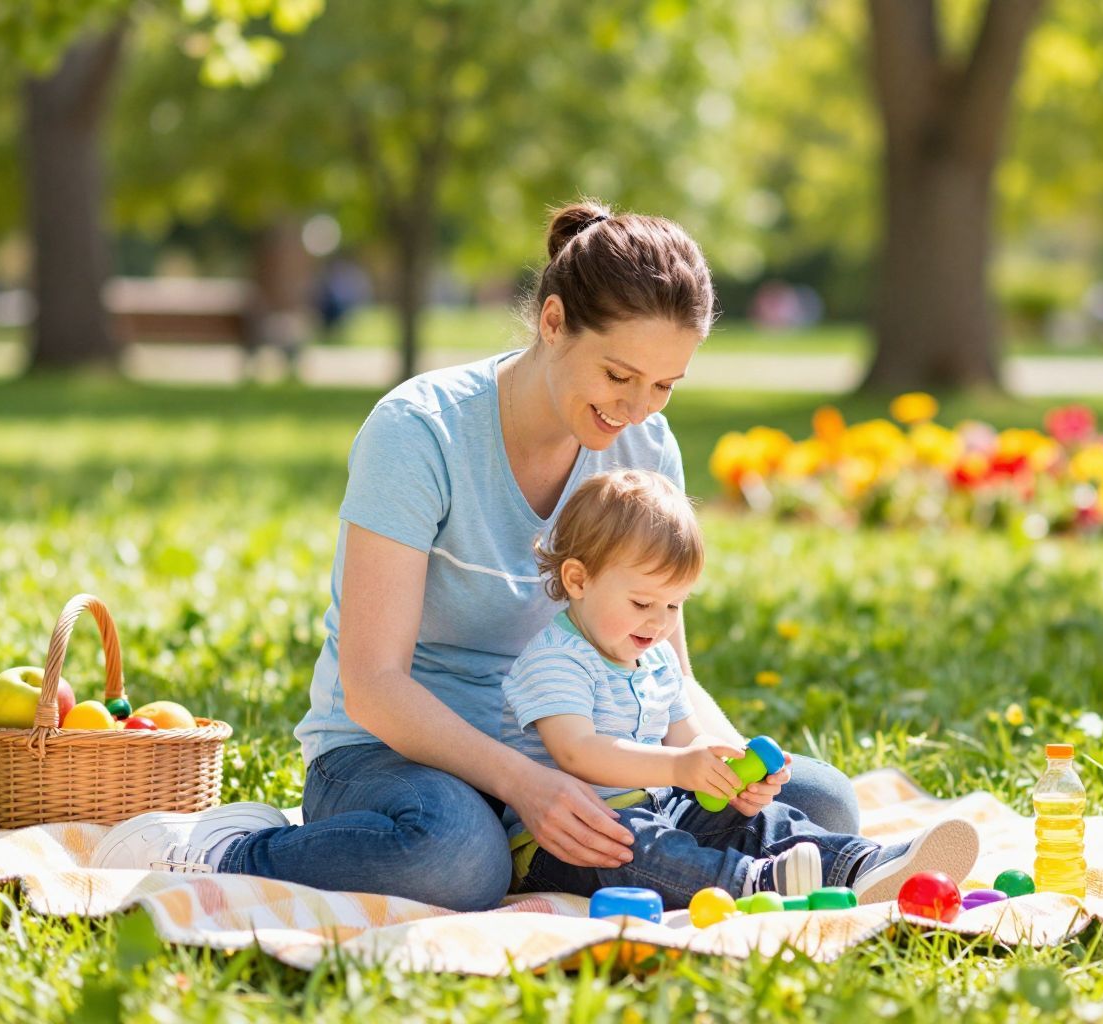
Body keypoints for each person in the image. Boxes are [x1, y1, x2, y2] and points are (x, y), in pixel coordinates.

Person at [92, 201, 863, 910]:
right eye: (618, 375)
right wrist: (525, 784)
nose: (636, 409)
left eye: (665, 384)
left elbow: (667, 669)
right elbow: (373, 686)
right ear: (553, 322)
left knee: (819, 803)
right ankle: (232, 848)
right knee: (456, 859)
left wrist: (722, 762)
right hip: (394, 755)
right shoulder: (420, 432)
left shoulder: (645, 446)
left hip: (583, 753)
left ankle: (539, 852)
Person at [502, 469, 979, 906]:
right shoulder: (555, 658)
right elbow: (577, 752)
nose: (659, 622)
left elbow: (687, 738)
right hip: (568, 836)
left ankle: (861, 865)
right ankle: (756, 882)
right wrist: (679, 767)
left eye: (674, 606)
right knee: (640, 847)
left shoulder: (656, 657)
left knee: (756, 820)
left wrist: (730, 774)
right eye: (643, 603)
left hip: (660, 805)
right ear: (578, 580)